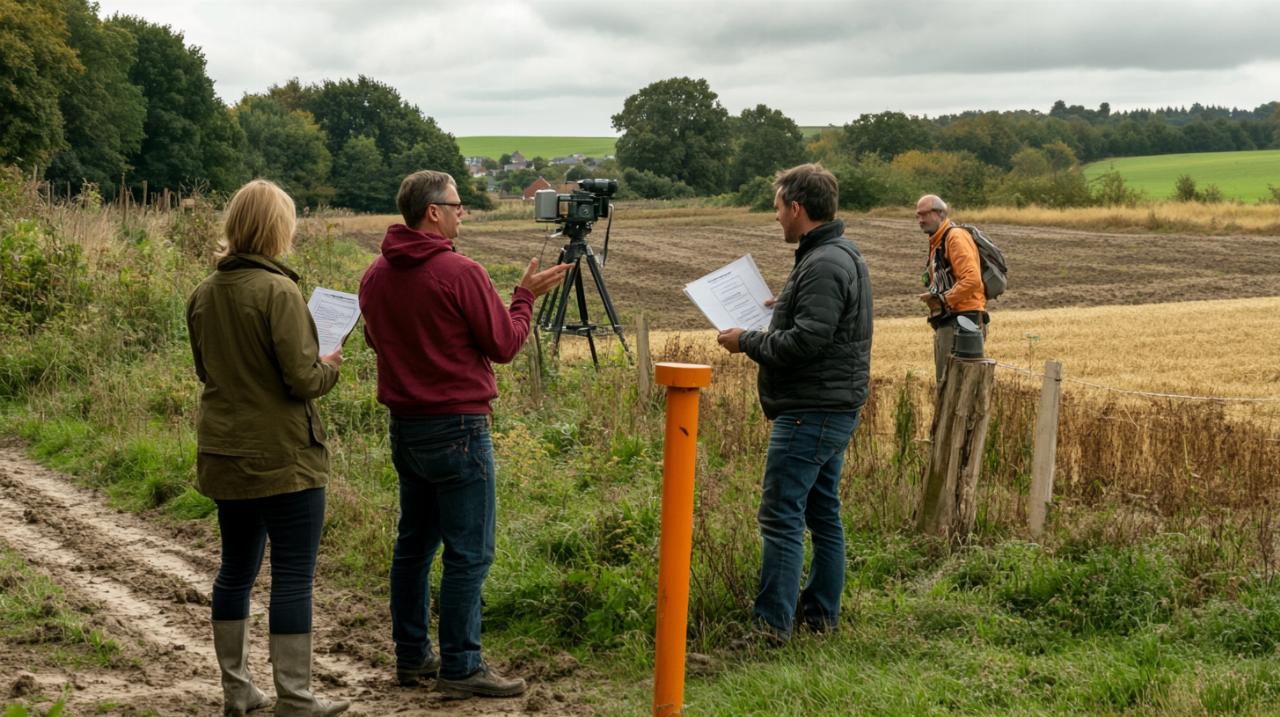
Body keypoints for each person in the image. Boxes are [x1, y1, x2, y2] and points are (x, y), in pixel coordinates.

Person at [358, 170, 569, 698]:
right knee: (468, 553)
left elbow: (375, 340)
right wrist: (524, 297)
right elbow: (504, 345)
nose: (462, 214)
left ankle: (412, 655)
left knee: (413, 548)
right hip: (459, 427)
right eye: (456, 206)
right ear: (433, 212)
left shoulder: (375, 275)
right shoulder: (462, 272)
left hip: (406, 429)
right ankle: (461, 665)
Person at [186, 179, 349, 716]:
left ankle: (237, 692)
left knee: (235, 570)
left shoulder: (203, 293)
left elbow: (205, 370)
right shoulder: (280, 292)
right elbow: (303, 380)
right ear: (278, 229)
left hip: (225, 453)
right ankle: (295, 699)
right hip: (285, 457)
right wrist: (329, 366)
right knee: (293, 577)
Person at [716, 163, 873, 642]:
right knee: (822, 513)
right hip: (830, 405)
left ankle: (771, 627)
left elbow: (807, 341)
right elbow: (818, 320)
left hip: (811, 410)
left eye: (778, 207)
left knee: (781, 515)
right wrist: (782, 307)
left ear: (797, 208)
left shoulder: (823, 263)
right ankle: (820, 616)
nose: (776, 216)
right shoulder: (834, 254)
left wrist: (747, 341)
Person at [915, 194, 986, 385]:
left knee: (954, 387)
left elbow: (972, 279)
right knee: (948, 385)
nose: (920, 220)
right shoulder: (938, 239)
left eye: (925, 214)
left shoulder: (955, 237)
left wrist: (943, 300)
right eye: (918, 216)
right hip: (952, 320)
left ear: (940, 213)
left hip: (963, 322)